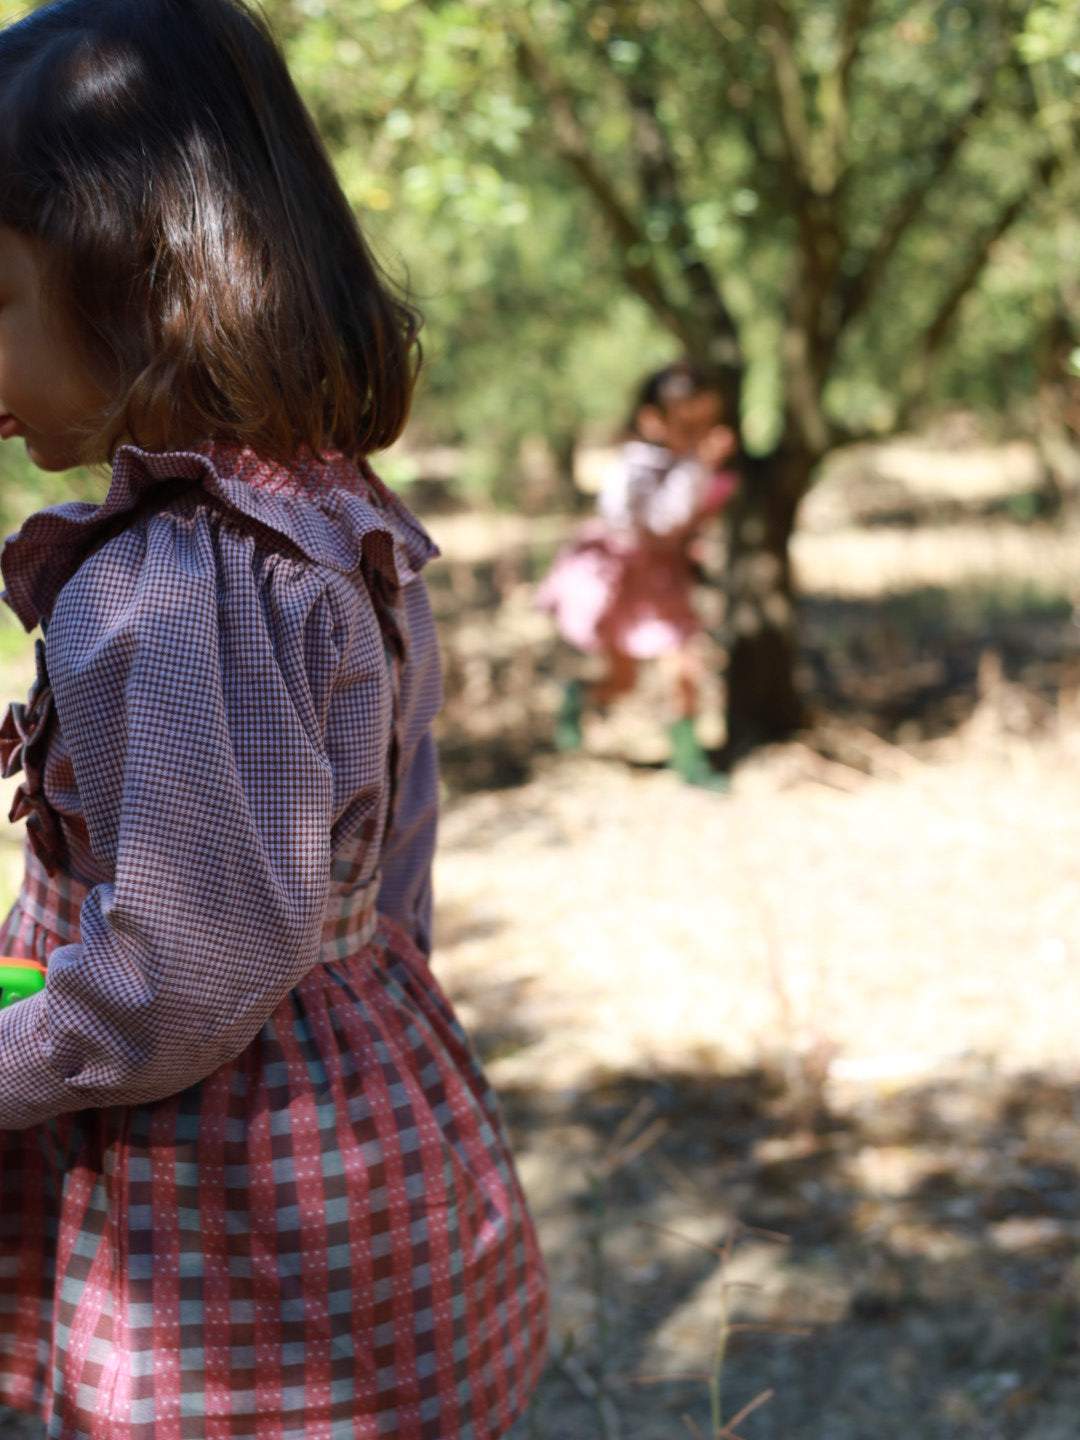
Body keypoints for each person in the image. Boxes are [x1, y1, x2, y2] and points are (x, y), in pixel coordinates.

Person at [0, 3, 548, 1437]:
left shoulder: (162, 586)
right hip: (354, 1087)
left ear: (145, 282)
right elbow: (399, 833)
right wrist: (373, 1005)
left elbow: (179, 979)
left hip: (224, 1163)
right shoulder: (333, 517)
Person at [536, 360, 738, 787]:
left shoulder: (684, 466)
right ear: (651, 420)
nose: (697, 438)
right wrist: (700, 467)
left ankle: (690, 762)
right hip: (625, 585)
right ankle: (579, 698)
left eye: (705, 426)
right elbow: (661, 520)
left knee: (685, 666)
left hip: (665, 582)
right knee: (622, 681)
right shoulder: (634, 466)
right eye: (688, 427)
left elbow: (683, 522)